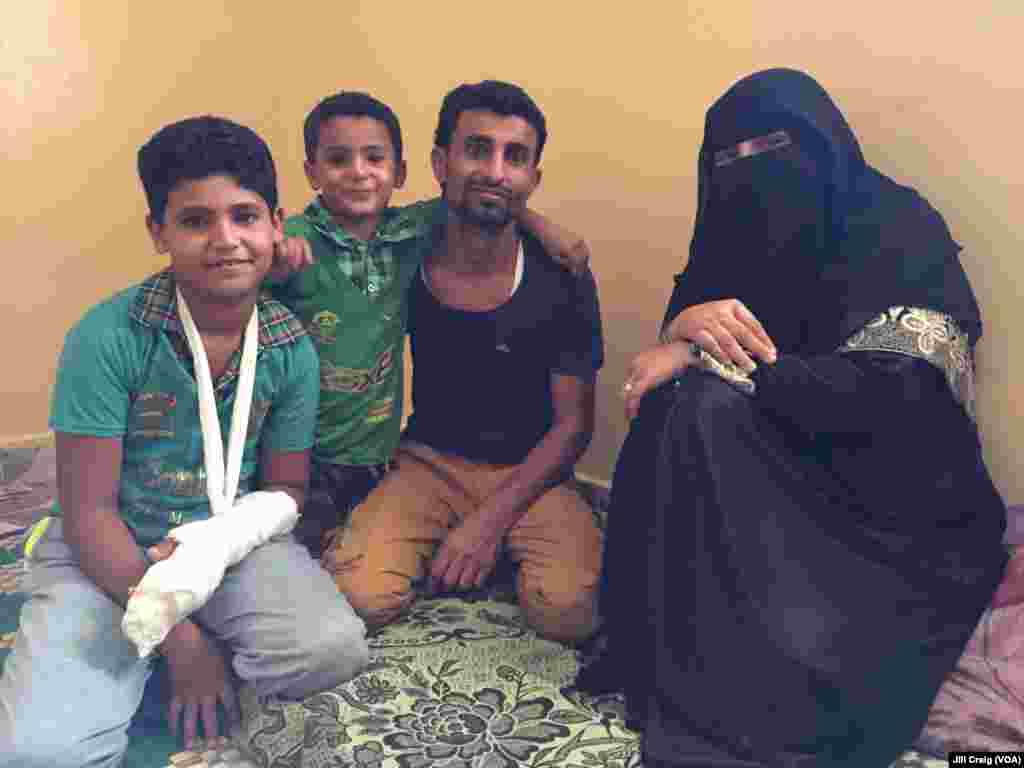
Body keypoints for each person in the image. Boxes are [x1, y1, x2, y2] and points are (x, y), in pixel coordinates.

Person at [576, 68, 1008, 767]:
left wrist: (717, 363)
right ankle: (684, 647)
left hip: (885, 496)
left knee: (706, 403)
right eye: (729, 158)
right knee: (684, 406)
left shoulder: (896, 226)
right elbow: (677, 345)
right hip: (759, 463)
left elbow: (903, 394)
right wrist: (687, 328)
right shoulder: (725, 235)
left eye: (774, 146)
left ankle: (776, 662)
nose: (751, 173)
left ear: (826, 145)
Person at [0, 117, 369, 767]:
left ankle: (155, 651)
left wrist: (216, 545)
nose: (225, 240)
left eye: (245, 216)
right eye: (196, 221)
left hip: (225, 544)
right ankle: (148, 653)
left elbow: (285, 491)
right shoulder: (109, 337)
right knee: (39, 756)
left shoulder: (289, 348)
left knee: (330, 651)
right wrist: (184, 643)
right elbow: (89, 514)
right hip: (107, 549)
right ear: (158, 232)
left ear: (275, 224)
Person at [324, 80, 605, 645]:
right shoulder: (400, 250)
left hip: (534, 472)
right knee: (357, 599)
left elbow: (573, 425)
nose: (496, 171)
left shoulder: (561, 273)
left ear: (533, 179)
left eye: (515, 157)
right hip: (428, 461)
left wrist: (487, 522)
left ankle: (491, 546)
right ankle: (453, 544)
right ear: (439, 162)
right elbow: (333, 232)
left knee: (570, 614)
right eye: (477, 149)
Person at [269, 91, 592, 556]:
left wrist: (544, 227)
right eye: (339, 159)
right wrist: (276, 255)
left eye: (374, 158)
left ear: (399, 173)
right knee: (322, 567)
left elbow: (491, 199)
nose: (358, 172)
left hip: (377, 449)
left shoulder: (406, 235)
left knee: (567, 610)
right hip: (308, 447)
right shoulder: (303, 243)